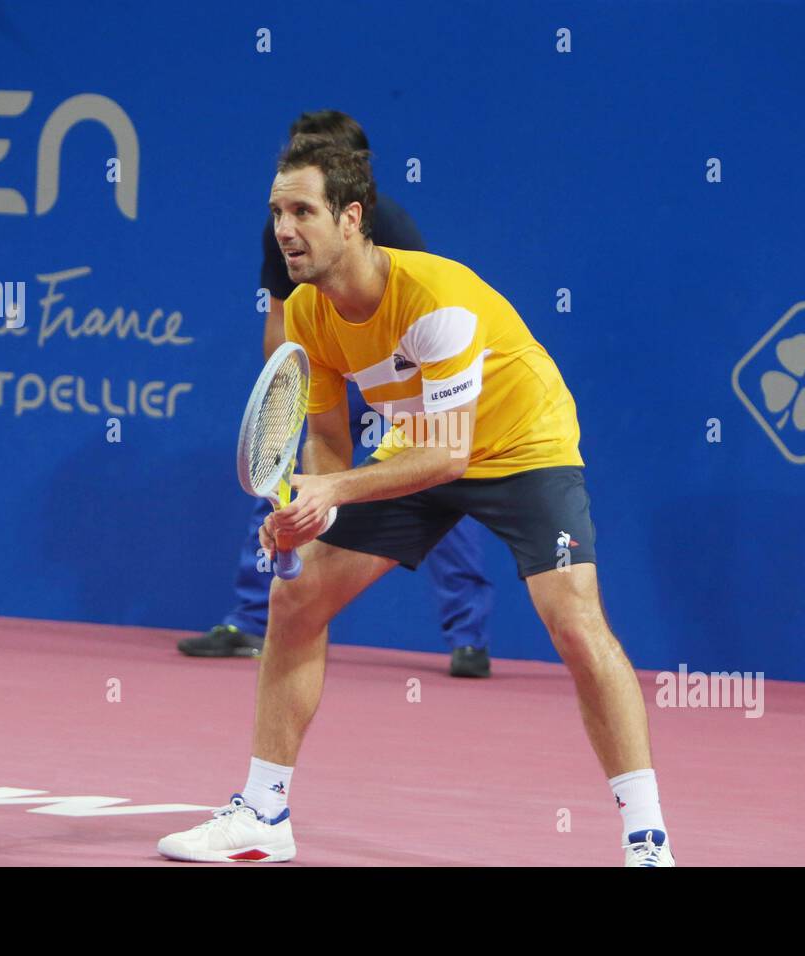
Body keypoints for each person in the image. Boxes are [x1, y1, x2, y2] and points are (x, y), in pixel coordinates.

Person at [158, 136, 674, 866]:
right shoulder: (308, 312)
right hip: (418, 439)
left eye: (302, 210)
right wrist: (316, 512)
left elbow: (451, 454)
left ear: (351, 219)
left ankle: (647, 838)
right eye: (277, 211)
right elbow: (329, 442)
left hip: (523, 444)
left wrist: (336, 487)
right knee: (296, 601)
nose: (283, 228)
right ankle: (264, 814)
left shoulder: (436, 299)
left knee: (576, 623)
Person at [178, 110, 494, 678]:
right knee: (287, 481)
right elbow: (282, 316)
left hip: (400, 377)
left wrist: (413, 418)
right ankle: (254, 620)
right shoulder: (282, 229)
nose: (291, 210)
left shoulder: (389, 224)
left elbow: (423, 318)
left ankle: (467, 636)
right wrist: (287, 391)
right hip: (325, 368)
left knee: (440, 479)